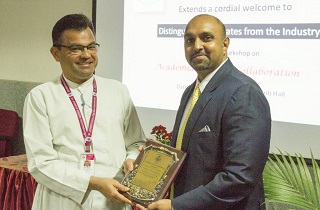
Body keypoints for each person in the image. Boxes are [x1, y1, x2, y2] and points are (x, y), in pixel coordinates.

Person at [136, 14, 271, 210]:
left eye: (206, 38)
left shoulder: (243, 92)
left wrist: (176, 206)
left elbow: (240, 177)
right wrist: (157, 156)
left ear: (225, 44)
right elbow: (196, 157)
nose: (197, 45)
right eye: (189, 40)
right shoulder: (191, 91)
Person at [23, 14, 146, 210]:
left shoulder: (118, 90)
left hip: (112, 199)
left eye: (91, 47)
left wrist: (131, 158)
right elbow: (41, 162)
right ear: (56, 53)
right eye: (76, 49)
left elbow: (136, 142)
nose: (86, 55)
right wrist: (92, 183)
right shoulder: (40, 97)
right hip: (62, 200)